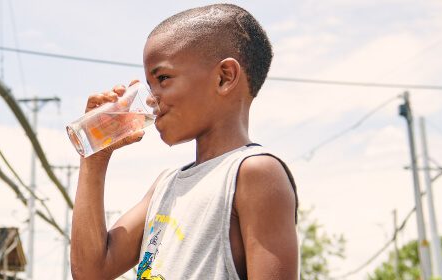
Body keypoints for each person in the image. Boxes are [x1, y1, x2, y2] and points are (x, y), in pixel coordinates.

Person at [69, 4, 298, 280]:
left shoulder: (254, 173)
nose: (152, 99)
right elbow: (91, 272)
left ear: (224, 77)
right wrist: (94, 158)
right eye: (150, 86)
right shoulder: (165, 186)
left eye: (163, 78)